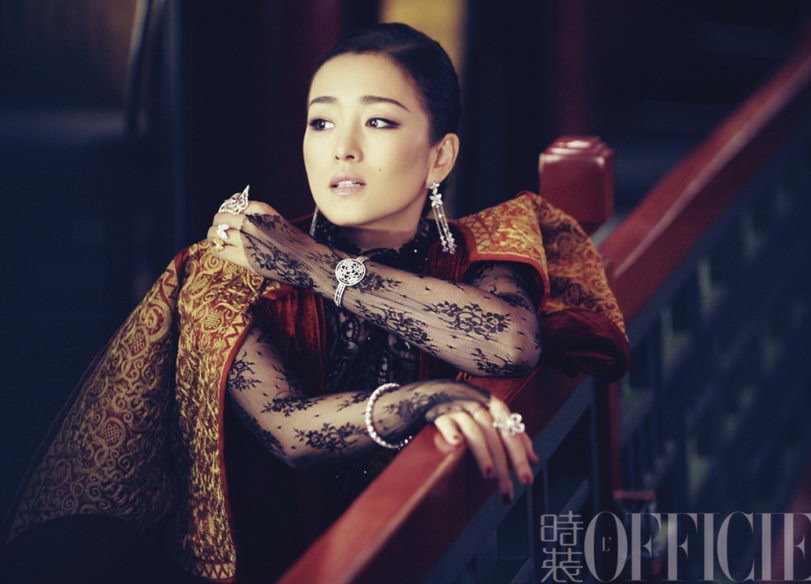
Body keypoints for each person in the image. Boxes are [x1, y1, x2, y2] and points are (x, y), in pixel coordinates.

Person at [2, 22, 629, 584]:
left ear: (439, 156)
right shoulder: (235, 267)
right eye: (321, 122)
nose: (342, 148)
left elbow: (510, 342)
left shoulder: (483, 247)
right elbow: (288, 427)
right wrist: (422, 399)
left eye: (379, 122)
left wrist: (315, 265)